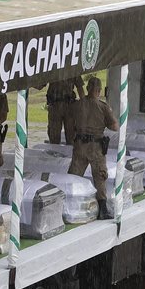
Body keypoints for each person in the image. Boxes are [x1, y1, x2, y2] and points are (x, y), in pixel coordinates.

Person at [68, 76, 118, 216]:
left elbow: (70, 125)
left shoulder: (77, 105)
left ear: (88, 88)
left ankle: (70, 205)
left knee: (74, 176)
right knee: (100, 177)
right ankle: (102, 209)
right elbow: (114, 126)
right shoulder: (103, 107)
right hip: (96, 147)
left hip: (79, 145)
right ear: (99, 90)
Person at [45, 76, 84, 145]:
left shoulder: (73, 68)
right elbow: (40, 83)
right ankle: (54, 153)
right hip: (55, 106)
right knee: (54, 137)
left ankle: (71, 155)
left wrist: (84, 105)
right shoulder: (53, 66)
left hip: (69, 107)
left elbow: (80, 87)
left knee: (71, 136)